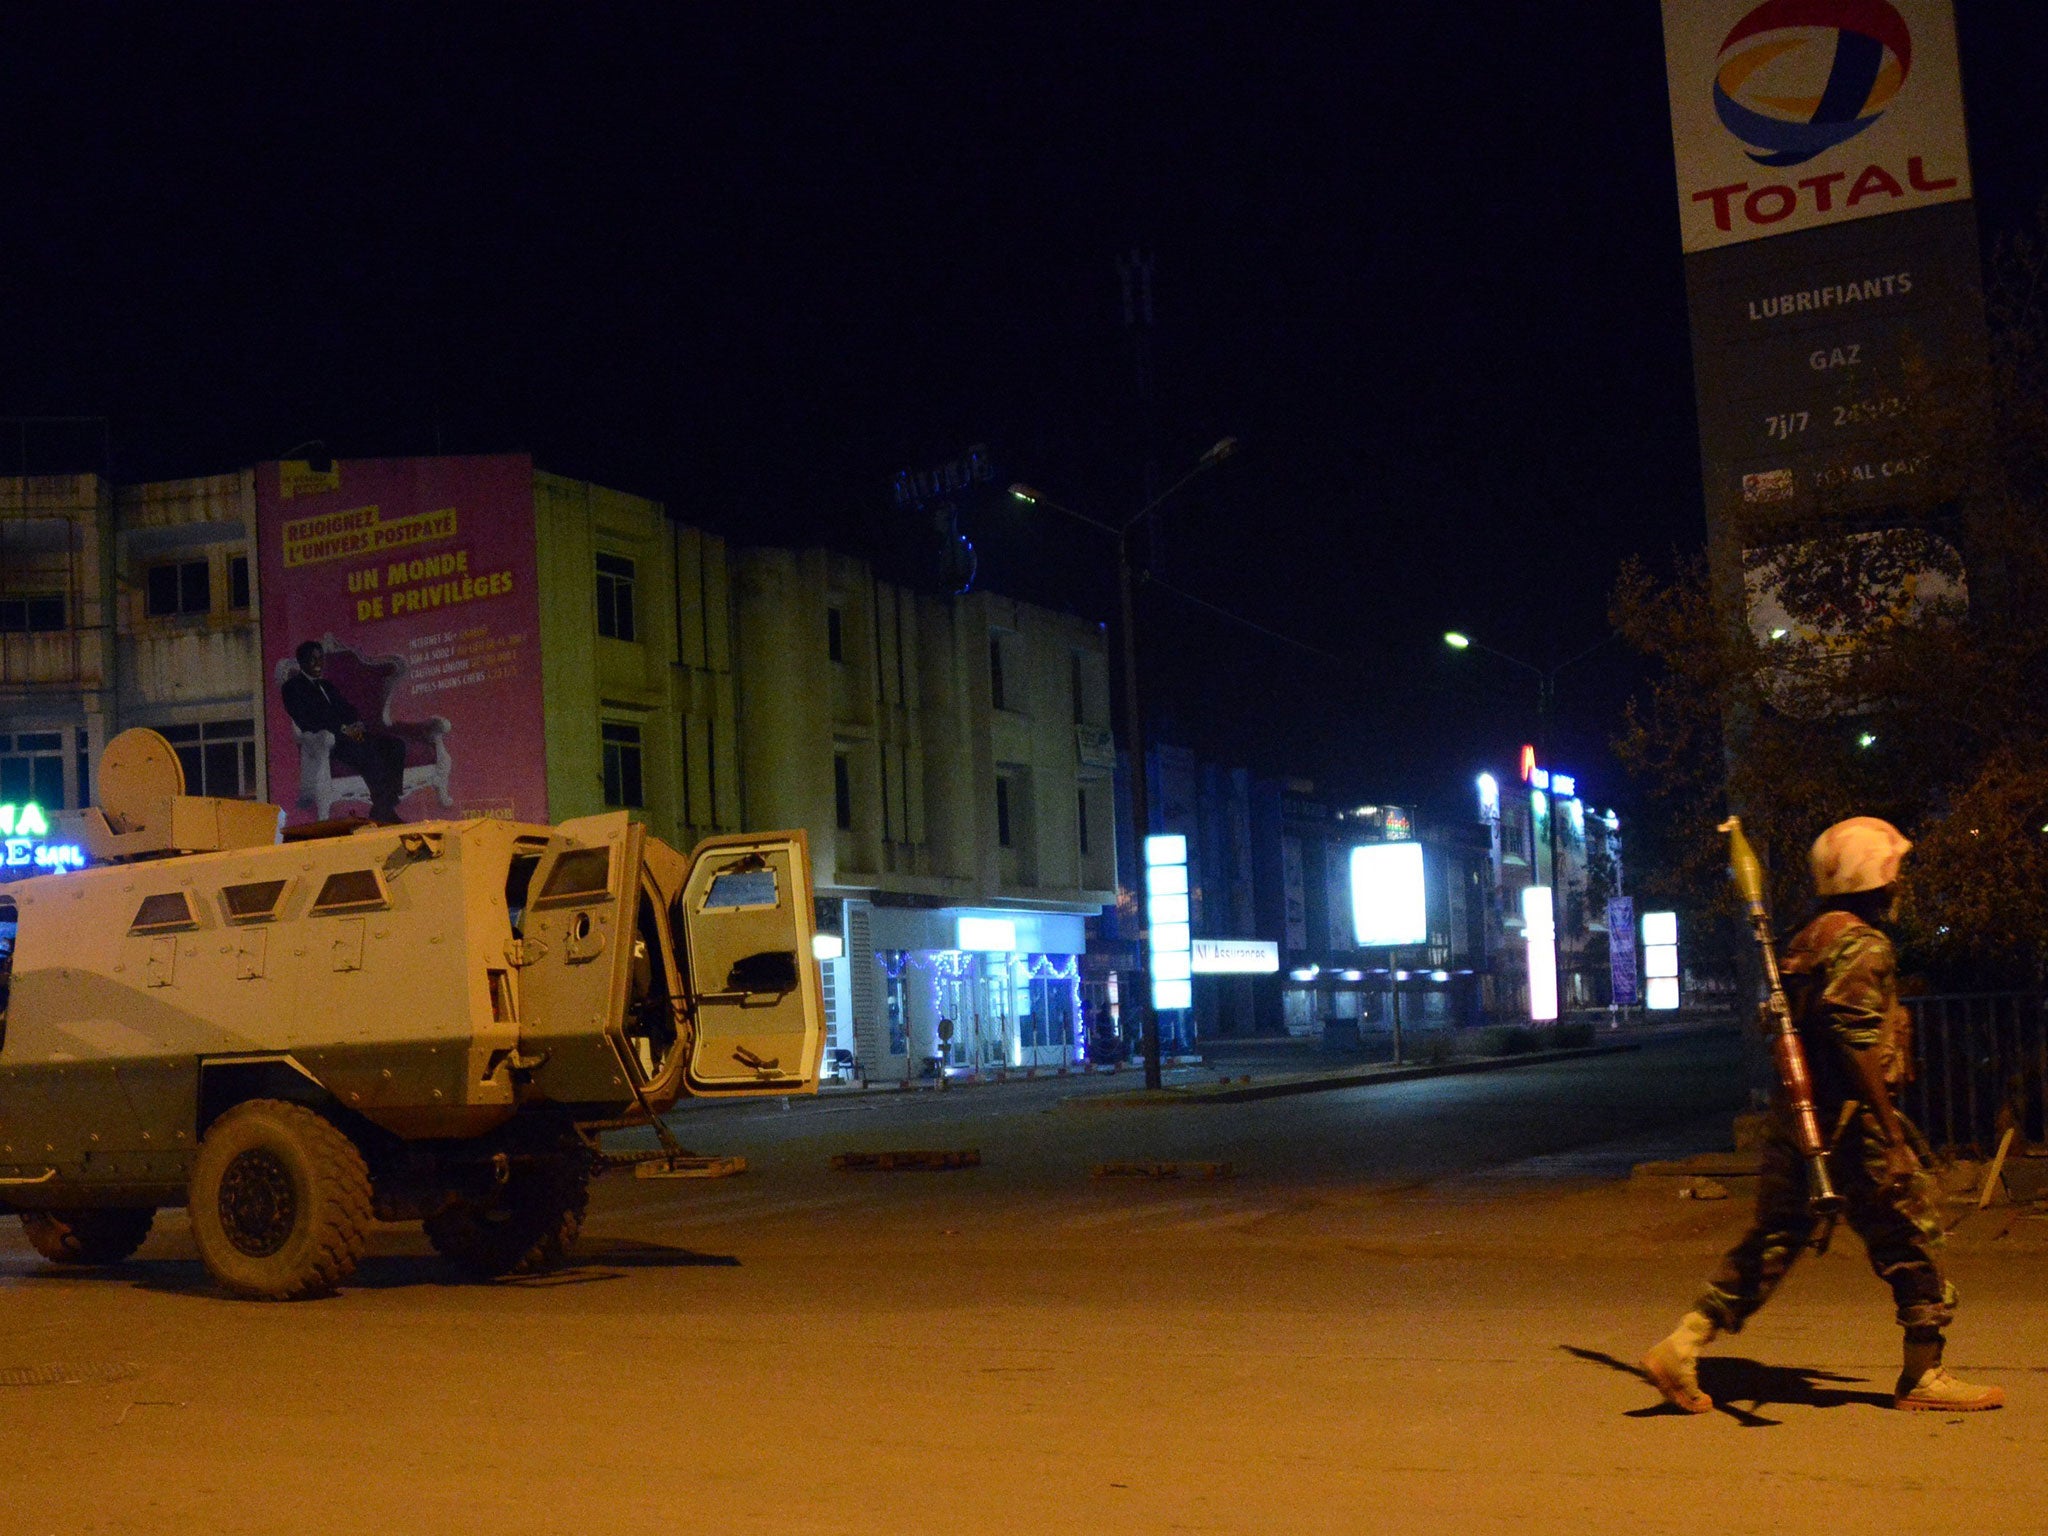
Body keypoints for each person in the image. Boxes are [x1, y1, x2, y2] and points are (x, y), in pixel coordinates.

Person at [1642, 816, 2004, 1414]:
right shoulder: (1862, 944)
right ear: (1873, 874)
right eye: (1895, 870)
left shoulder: (1806, 938)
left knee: (1777, 1237)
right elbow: (1855, 1042)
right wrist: (1892, 1137)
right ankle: (1924, 1374)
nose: (1900, 883)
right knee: (1909, 1236)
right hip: (1849, 1125)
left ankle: (1684, 1343)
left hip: (1799, 1121)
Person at [280, 639, 407, 823]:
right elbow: (306, 720)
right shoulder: (292, 688)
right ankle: (383, 809)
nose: (318, 664)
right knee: (368, 752)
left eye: (320, 659)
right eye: (312, 659)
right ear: (301, 663)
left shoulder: (327, 685)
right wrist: (342, 729)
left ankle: (385, 805)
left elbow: (348, 709)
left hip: (350, 733)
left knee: (395, 746)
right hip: (328, 741)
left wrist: (356, 723)